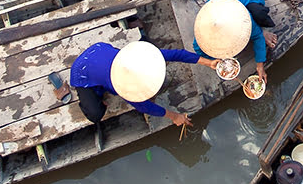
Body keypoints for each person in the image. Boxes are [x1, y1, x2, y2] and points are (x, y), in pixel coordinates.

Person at [68, 40, 218, 127]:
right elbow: (144, 106)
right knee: (95, 115)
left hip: (99, 49)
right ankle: (96, 93)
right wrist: (174, 116)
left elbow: (178, 54)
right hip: (82, 72)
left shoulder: (145, 57)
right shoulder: (121, 85)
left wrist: (209, 63)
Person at [192, 0, 278, 82]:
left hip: (243, 4)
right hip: (215, 9)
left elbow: (258, 38)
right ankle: (258, 30)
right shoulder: (202, 32)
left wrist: (260, 66)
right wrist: (217, 63)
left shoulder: (243, 20)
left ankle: (261, 30)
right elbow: (198, 49)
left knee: (258, 14)